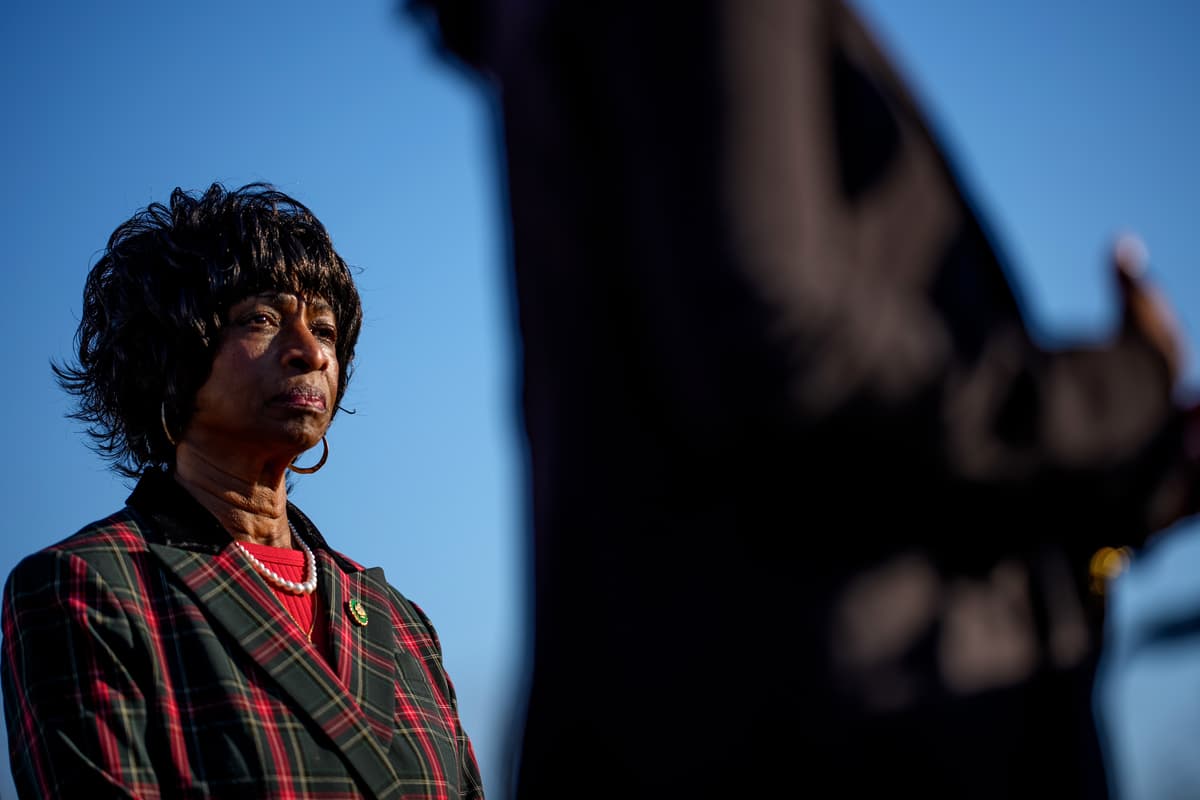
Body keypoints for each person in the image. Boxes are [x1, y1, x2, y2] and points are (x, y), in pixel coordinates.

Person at [409, 0, 1200, 797]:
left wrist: (1129, 484)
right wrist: (1123, 387)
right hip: (847, 740)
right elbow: (778, 347)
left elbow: (773, 432)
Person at [1, 183, 485, 799]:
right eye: (262, 318)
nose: (310, 353)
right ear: (173, 353)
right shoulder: (88, 588)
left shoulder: (402, 623)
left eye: (326, 329)